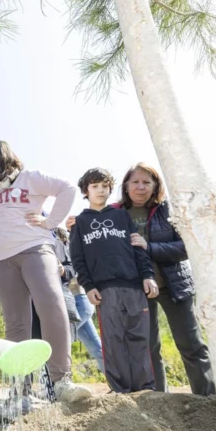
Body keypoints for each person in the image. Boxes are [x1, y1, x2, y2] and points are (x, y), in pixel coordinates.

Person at [0, 140, 91, 405]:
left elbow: (67, 188)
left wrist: (51, 222)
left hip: (35, 249)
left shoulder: (30, 178)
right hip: (3, 261)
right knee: (16, 323)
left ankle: (60, 381)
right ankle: (20, 390)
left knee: (51, 307)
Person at [118, 163, 215, 396]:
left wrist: (149, 247)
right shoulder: (115, 214)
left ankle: (208, 398)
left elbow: (187, 247)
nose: (140, 187)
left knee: (191, 344)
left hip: (174, 286)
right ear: (126, 186)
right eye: (135, 182)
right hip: (136, 290)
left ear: (155, 187)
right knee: (148, 348)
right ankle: (158, 399)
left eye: (146, 182)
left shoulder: (170, 211)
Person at [70, 168, 157, 394]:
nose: (100, 191)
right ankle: (120, 390)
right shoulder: (80, 222)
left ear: (110, 189)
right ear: (85, 191)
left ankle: (145, 389)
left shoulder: (121, 216)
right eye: (95, 186)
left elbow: (138, 249)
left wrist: (148, 275)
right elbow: (78, 260)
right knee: (113, 340)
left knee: (139, 338)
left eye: (104, 186)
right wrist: (88, 287)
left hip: (134, 286)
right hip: (104, 291)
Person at [58, 226, 105, 374]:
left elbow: (72, 274)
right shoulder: (70, 249)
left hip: (77, 301)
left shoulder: (67, 253)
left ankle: (60, 378)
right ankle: (117, 381)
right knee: (96, 347)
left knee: (60, 341)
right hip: (82, 302)